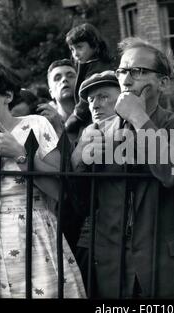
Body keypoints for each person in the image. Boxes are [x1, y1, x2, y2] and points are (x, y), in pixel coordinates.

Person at [72, 37, 174, 298]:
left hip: (162, 266)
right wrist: (78, 160)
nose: (127, 79)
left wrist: (138, 117)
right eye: (122, 71)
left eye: (138, 71)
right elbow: (78, 202)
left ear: (163, 82)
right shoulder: (98, 133)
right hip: (110, 266)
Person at [0, 58, 86, 298]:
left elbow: (59, 191)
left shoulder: (36, 125)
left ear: (7, 96)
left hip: (34, 234)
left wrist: (21, 155)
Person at [70, 70, 120, 292]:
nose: (95, 105)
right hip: (91, 233)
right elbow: (76, 197)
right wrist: (79, 154)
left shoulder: (136, 129)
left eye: (103, 96)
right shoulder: (85, 135)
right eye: (90, 100)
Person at [64, 23, 115, 132]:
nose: (75, 54)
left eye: (79, 47)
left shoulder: (97, 70)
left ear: (93, 45)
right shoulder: (88, 66)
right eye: (72, 49)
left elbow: (87, 99)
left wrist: (76, 116)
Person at [37, 59, 78, 138]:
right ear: (51, 92)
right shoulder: (45, 127)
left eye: (70, 76)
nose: (64, 80)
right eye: (57, 78)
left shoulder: (95, 115)